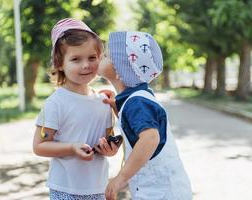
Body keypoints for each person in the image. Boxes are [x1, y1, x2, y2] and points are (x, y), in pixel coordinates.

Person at [98, 31, 192, 200]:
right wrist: (116, 107)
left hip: (160, 192)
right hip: (162, 189)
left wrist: (121, 178)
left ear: (121, 69)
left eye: (106, 55)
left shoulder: (137, 103)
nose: (100, 56)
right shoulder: (137, 99)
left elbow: (150, 138)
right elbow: (135, 126)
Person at [33, 18, 118, 200]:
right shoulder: (56, 103)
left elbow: (107, 142)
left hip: (98, 188)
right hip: (65, 189)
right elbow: (39, 146)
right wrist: (72, 148)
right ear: (59, 63)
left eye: (92, 58)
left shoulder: (104, 102)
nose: (86, 65)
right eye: (76, 59)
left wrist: (110, 150)